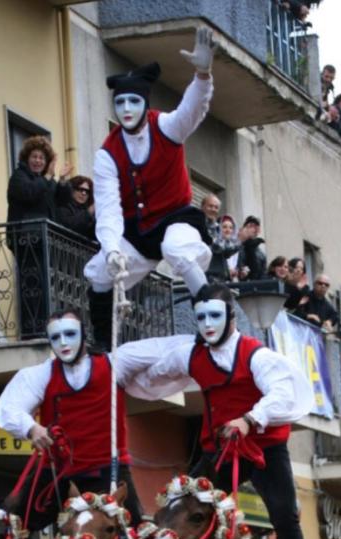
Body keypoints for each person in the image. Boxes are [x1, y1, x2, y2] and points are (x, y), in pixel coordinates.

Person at [0, 305, 190, 539]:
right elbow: (9, 407)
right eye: (56, 337)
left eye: (70, 334)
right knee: (10, 521)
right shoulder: (41, 375)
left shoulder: (115, 364)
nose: (63, 343)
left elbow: (163, 350)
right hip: (59, 468)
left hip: (105, 467)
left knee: (139, 536)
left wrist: (204, 344)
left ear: (83, 335)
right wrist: (32, 429)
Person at [133, 284, 314, 539]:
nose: (208, 324)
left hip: (263, 447)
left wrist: (248, 420)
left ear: (231, 317)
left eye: (215, 316)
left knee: (285, 514)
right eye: (200, 317)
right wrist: (116, 377)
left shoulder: (256, 354)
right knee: (183, 506)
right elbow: (158, 371)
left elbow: (281, 393)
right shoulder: (192, 355)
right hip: (220, 448)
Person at [84, 26, 217, 348]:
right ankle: (104, 348)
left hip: (177, 219)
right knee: (99, 272)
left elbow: (193, 110)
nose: (126, 109)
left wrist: (202, 75)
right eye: (120, 103)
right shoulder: (107, 154)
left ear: (144, 103)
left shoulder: (167, 127)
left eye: (133, 101)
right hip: (139, 232)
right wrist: (113, 248)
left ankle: (211, 317)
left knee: (177, 250)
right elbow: (108, 208)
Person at [6, 135, 73, 338]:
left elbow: (61, 202)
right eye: (34, 157)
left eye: (42, 158)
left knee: (45, 286)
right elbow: (28, 193)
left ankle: (46, 325)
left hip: (45, 242)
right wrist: (47, 178)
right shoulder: (19, 176)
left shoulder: (45, 182)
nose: (37, 161)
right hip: (26, 240)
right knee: (32, 284)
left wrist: (61, 181)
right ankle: (32, 330)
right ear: (27, 159)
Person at [55, 174, 96, 240]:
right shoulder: (63, 205)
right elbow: (70, 225)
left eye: (87, 191)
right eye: (80, 189)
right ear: (72, 189)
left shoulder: (89, 212)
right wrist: (88, 213)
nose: (83, 193)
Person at [236, 215, 267, 281]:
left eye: (256, 226)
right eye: (251, 226)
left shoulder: (261, 254)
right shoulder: (236, 247)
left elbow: (262, 275)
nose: (253, 229)